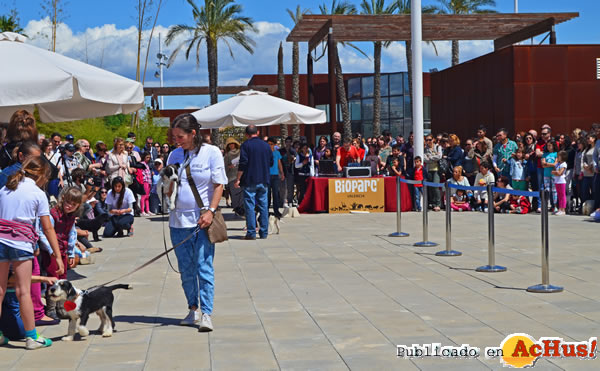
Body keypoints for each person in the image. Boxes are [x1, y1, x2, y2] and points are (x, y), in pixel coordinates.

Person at [168, 114, 226, 332]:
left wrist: (210, 211)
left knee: (203, 266)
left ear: (193, 133)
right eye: (174, 136)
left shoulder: (211, 153)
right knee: (185, 268)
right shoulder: (174, 154)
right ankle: (192, 308)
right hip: (177, 220)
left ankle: (207, 313)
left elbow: (219, 185)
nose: (177, 140)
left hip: (201, 220)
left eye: (180, 136)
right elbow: (170, 184)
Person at [0, 156, 64, 349]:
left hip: (0, 239)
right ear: (42, 174)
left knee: (0, 289)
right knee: (23, 291)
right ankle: (31, 337)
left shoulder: (5, 189)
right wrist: (57, 255)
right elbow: (48, 228)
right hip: (21, 243)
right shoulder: (37, 193)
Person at [40, 186, 83, 319]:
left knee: (63, 279)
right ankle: (51, 308)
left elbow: (72, 234)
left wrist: (71, 253)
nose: (69, 206)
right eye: (68, 202)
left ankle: (61, 306)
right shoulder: (53, 214)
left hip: (63, 251)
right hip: (52, 252)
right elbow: (43, 232)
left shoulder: (71, 217)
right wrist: (51, 249)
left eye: (73, 205)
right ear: (63, 199)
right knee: (53, 278)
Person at [236, 125, 272, 240]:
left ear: (246, 134)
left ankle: (251, 232)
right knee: (263, 206)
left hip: (250, 179)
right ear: (258, 132)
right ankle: (264, 232)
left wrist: (238, 178)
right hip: (264, 179)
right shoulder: (266, 146)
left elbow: (243, 163)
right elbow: (271, 162)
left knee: (250, 206)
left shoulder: (246, 145)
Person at [223, 138, 242, 216]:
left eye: (232, 144)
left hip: (239, 176)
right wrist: (229, 167)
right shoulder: (227, 155)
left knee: (240, 195)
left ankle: (240, 209)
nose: (231, 146)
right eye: (229, 145)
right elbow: (225, 166)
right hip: (232, 177)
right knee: (234, 195)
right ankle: (237, 210)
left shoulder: (241, 153)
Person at [267, 137, 284, 218]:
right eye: (268, 144)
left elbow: (279, 163)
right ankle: (266, 210)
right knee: (267, 194)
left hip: (275, 175)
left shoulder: (277, 153)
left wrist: (282, 173)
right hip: (267, 175)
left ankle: (276, 210)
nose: (270, 146)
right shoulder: (265, 152)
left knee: (276, 194)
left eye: (271, 144)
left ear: (274, 145)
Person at [424, 135, 442, 211]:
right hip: (429, 169)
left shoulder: (438, 147)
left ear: (433, 139)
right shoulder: (425, 149)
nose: (429, 141)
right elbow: (425, 159)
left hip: (437, 169)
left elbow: (439, 156)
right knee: (430, 187)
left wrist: (430, 157)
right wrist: (434, 157)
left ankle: (438, 204)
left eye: (430, 140)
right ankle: (432, 203)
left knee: (435, 186)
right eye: (427, 140)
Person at [542, 141, 558, 212]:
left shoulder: (556, 154)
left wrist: (547, 164)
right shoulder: (544, 154)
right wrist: (550, 164)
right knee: (547, 190)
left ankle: (555, 205)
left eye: (550, 145)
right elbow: (543, 164)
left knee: (554, 191)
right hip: (546, 174)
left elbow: (555, 164)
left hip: (554, 174)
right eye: (548, 146)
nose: (549, 147)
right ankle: (546, 205)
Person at [552, 150, 568, 215]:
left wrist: (555, 172)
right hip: (557, 181)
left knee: (562, 195)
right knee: (559, 195)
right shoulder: (558, 164)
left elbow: (560, 173)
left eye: (559, 156)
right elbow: (555, 169)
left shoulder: (564, 164)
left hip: (561, 181)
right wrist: (555, 172)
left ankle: (563, 209)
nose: (558, 158)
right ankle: (559, 208)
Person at [138, 152, 153, 216]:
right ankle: (142, 210)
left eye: (149, 157)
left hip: (149, 181)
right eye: (147, 157)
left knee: (147, 196)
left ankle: (147, 210)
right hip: (145, 181)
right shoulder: (142, 164)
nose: (148, 159)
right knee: (143, 196)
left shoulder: (147, 164)